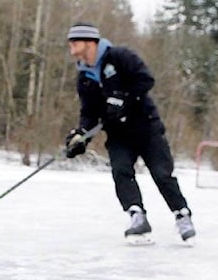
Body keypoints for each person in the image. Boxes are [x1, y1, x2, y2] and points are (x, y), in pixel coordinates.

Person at [64, 22, 195, 244]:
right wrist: (81, 135)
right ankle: (137, 217)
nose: (71, 47)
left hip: (146, 127)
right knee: (121, 171)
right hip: (118, 134)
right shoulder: (84, 78)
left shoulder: (120, 56)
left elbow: (146, 80)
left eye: (75, 42)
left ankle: (182, 214)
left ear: (89, 42)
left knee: (162, 174)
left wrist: (122, 98)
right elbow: (89, 112)